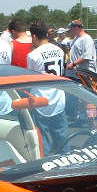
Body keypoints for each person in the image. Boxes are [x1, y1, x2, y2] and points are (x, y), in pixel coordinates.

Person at [26, 21, 68, 154]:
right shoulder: (59, 50)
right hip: (58, 98)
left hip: (41, 100)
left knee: (44, 140)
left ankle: (47, 163)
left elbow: (30, 80)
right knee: (62, 138)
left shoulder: (33, 55)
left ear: (34, 36)